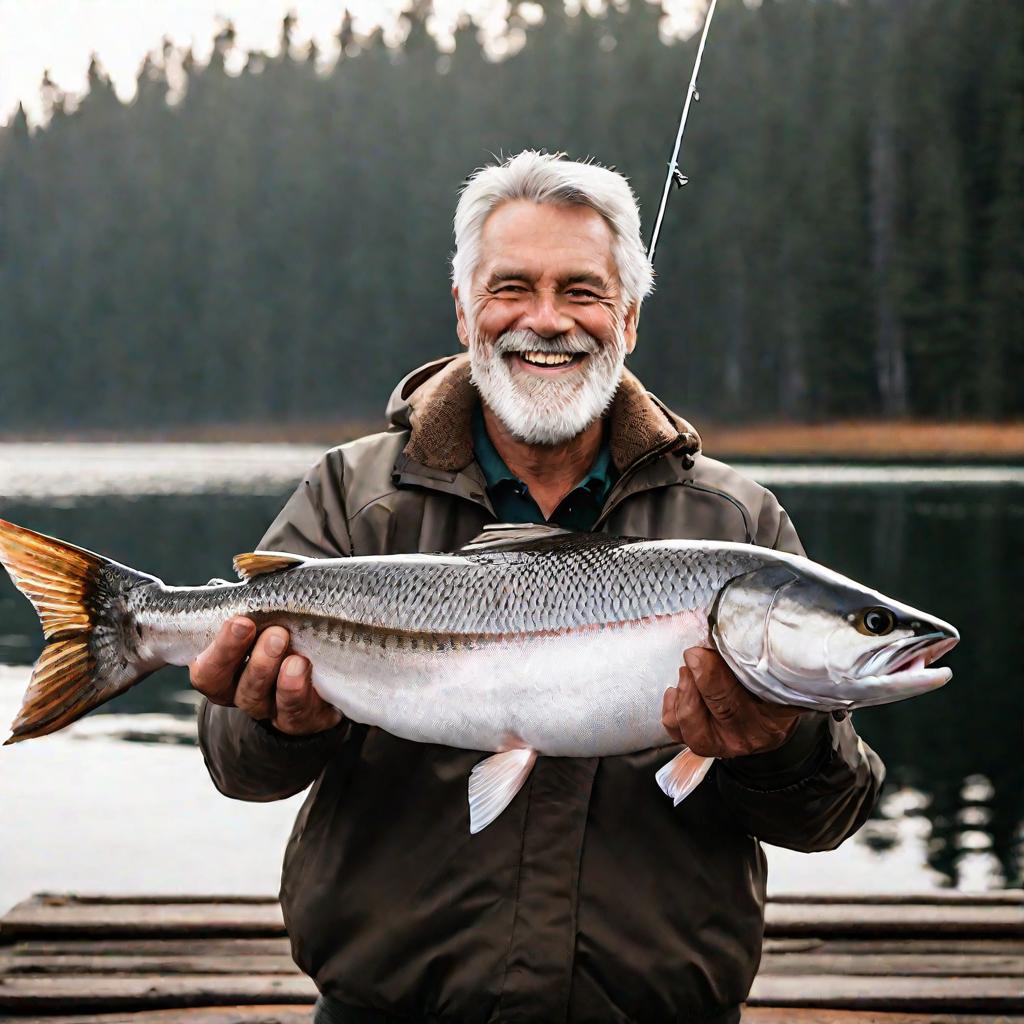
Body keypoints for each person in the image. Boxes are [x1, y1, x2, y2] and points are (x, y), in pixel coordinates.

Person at [193, 150, 884, 1024]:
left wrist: (776, 744)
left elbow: (827, 816)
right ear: (463, 310)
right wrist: (271, 723)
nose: (547, 320)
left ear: (628, 317)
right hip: (388, 1008)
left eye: (583, 291)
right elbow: (235, 764)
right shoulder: (352, 494)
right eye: (511, 286)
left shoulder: (736, 523)